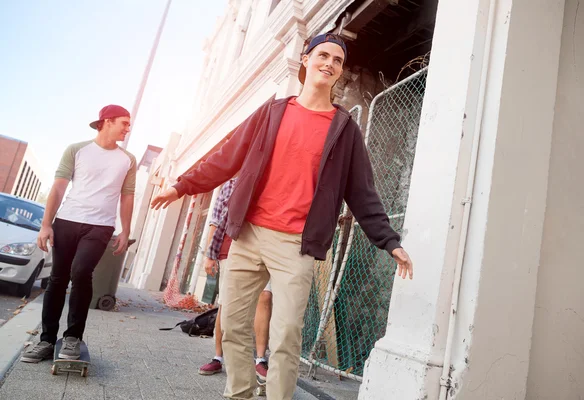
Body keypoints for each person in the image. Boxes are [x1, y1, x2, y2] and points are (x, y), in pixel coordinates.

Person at [151, 33, 413, 400]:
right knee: (233, 325)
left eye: (338, 61)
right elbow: (227, 157)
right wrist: (181, 186)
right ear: (305, 60)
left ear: (339, 72)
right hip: (247, 236)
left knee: (287, 333)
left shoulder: (344, 129)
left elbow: (362, 193)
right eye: (323, 55)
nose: (330, 63)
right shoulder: (272, 113)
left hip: (297, 244)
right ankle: (240, 392)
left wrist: (388, 241)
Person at [21, 105, 137, 363]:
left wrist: (125, 229)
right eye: (124, 123)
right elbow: (59, 188)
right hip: (67, 221)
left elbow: (127, 197)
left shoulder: (127, 159)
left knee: (81, 272)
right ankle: (46, 341)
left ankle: (73, 338)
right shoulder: (77, 150)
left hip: (100, 226)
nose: (128, 128)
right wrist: (46, 224)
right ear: (106, 122)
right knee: (58, 279)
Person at [199, 178, 272, 382]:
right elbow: (216, 220)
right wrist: (209, 255)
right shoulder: (232, 184)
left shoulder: (271, 178)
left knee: (265, 297)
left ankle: (260, 360)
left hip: (263, 247)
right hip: (231, 247)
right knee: (227, 304)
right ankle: (217, 357)